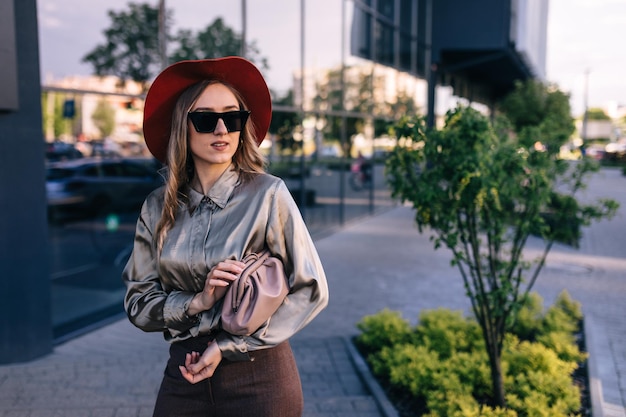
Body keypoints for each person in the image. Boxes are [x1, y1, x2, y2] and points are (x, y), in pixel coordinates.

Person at [122, 57, 329, 417]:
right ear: (182, 128)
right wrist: (196, 303)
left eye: (232, 118)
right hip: (184, 374)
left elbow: (311, 289)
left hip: (259, 374)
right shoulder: (157, 207)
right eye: (205, 119)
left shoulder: (268, 194)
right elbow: (138, 302)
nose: (221, 129)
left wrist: (229, 345)